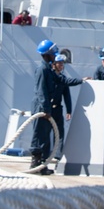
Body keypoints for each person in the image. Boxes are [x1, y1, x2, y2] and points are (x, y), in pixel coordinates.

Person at [29, 39, 60, 174]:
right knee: (39, 135)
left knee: (45, 136)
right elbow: (41, 91)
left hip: (46, 106)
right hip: (42, 107)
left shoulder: (48, 68)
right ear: (47, 54)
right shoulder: (42, 69)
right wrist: (45, 109)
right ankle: (35, 164)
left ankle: (42, 165)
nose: (54, 56)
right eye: (52, 53)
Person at [48, 53, 83, 160]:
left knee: (59, 133)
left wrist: (69, 111)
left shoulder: (62, 78)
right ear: (53, 64)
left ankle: (57, 155)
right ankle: (44, 155)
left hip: (57, 109)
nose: (61, 65)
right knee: (45, 133)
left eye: (62, 63)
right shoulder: (50, 77)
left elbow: (66, 96)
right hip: (47, 109)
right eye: (59, 63)